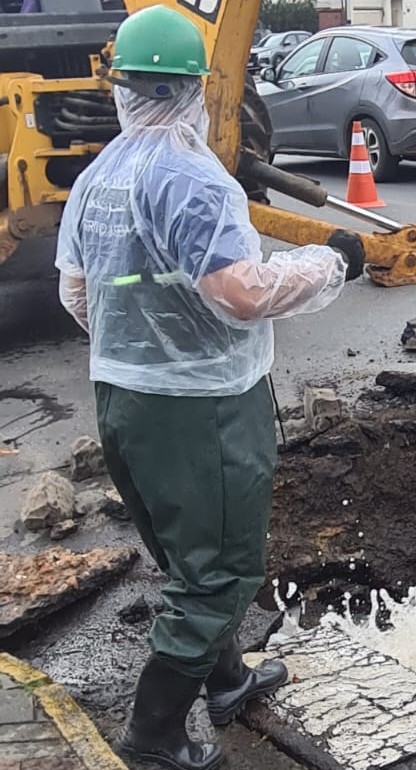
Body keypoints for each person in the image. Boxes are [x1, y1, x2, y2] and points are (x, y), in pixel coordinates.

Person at [55, 6, 363, 770]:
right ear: (199, 88)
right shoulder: (194, 180)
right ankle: (153, 735)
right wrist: (331, 262)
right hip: (203, 410)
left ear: (121, 87)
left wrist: (141, 343)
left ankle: (226, 682)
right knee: (221, 569)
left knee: (187, 557)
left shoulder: (98, 177)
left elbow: (77, 294)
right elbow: (241, 293)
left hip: (124, 400)